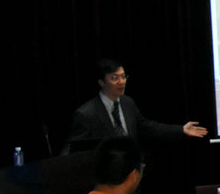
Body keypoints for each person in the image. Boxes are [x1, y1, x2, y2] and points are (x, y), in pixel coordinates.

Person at [68, 56, 208, 152]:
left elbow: (148, 127)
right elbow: (75, 149)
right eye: (114, 78)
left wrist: (180, 130)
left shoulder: (127, 103)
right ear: (101, 82)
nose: (121, 82)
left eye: (123, 76)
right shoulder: (87, 113)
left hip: (130, 174)